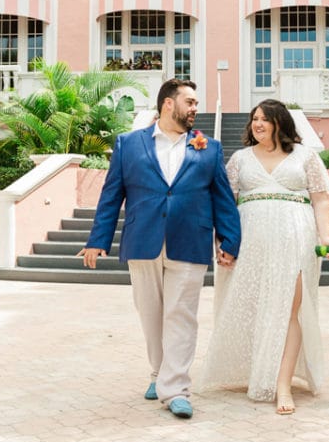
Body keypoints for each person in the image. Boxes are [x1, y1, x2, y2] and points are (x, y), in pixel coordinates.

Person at [79, 78, 241, 420]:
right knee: (151, 314)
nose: (196, 108)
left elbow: (223, 199)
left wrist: (229, 241)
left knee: (181, 316)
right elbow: (112, 195)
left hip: (191, 240)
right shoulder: (129, 144)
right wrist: (98, 240)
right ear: (169, 103)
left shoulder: (208, 148)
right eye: (190, 101)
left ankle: (177, 389)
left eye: (196, 102)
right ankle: (159, 373)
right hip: (143, 239)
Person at [201, 99, 329, 415]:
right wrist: (223, 242)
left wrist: (326, 236)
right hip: (252, 241)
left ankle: (283, 384)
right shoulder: (239, 159)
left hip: (295, 239)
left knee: (291, 308)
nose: (257, 124)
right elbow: (225, 204)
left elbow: (321, 201)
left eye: (264, 119)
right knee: (255, 305)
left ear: (280, 122)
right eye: (254, 119)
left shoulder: (306, 157)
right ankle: (258, 369)